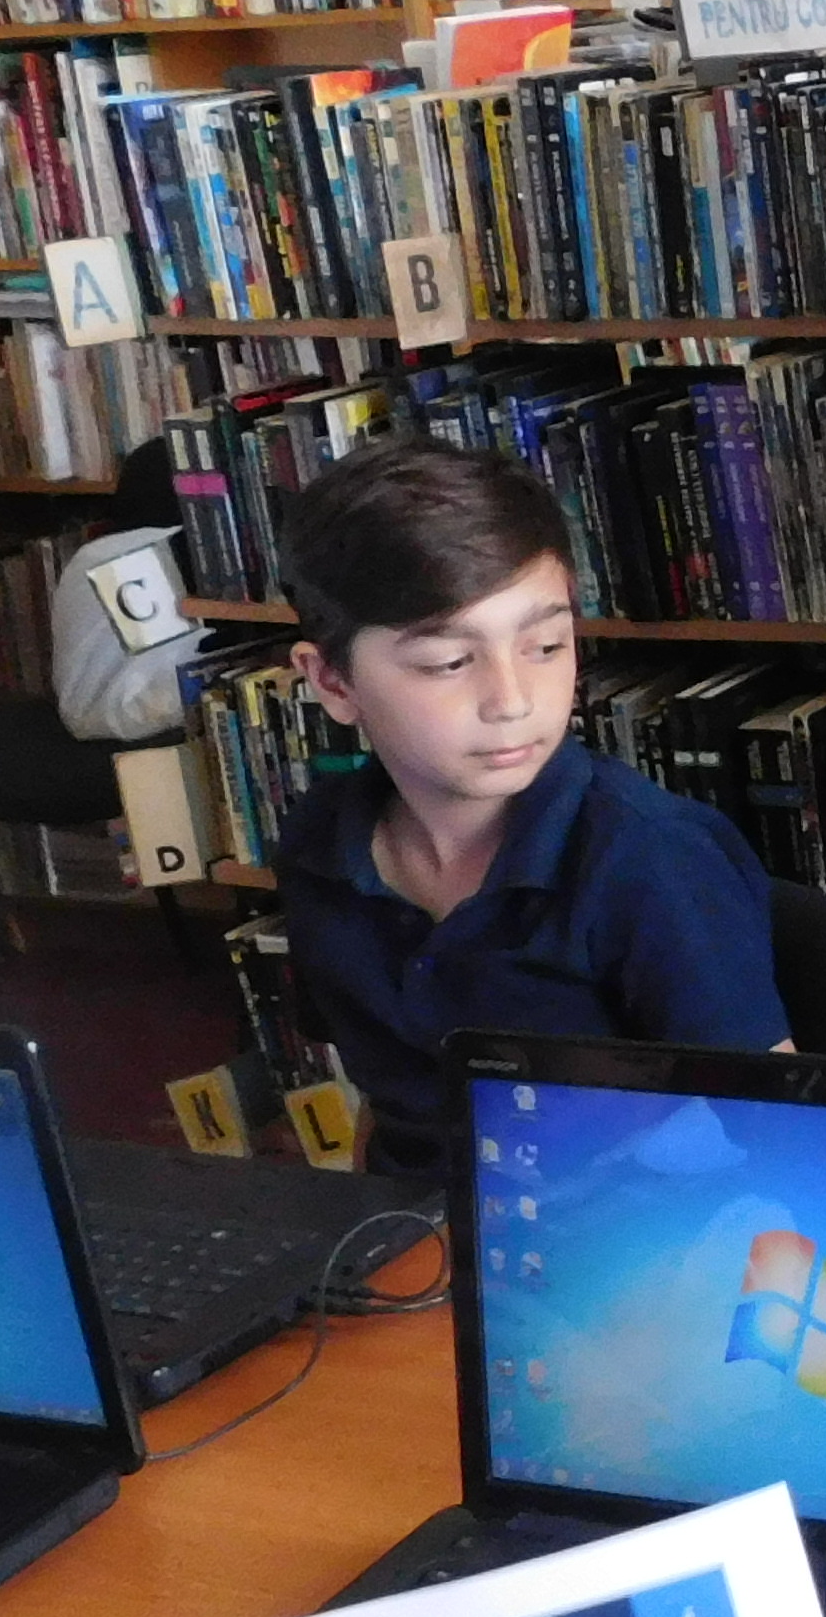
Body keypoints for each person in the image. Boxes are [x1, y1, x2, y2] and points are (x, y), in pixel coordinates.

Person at [271, 438, 787, 1153]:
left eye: (546, 646)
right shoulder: (319, 847)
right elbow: (387, 1100)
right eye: (449, 662)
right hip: (418, 1213)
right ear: (333, 682)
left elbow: (776, 1128)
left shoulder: (651, 859)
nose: (512, 701)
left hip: (628, 1215)